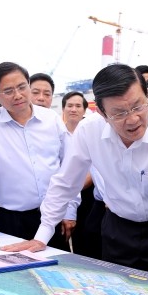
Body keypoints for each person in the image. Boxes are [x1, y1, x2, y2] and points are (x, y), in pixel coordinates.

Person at [1, 63, 148, 295]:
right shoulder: (89, 131)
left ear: (146, 95)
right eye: (119, 113)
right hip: (118, 230)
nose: (133, 119)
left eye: (138, 106)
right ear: (102, 113)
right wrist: (42, 235)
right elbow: (66, 182)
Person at [0, 62, 77, 252]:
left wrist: (70, 210)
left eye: (22, 87)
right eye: (8, 91)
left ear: (28, 85)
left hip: (53, 216)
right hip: (10, 220)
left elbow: (69, 167)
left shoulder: (51, 119)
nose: (18, 95)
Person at [61, 91, 101, 259]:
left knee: (87, 237)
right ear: (63, 108)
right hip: (65, 193)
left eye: (78, 106)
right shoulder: (59, 133)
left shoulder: (92, 133)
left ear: (85, 110)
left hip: (88, 193)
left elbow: (96, 165)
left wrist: (78, 184)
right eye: (69, 105)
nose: (73, 109)